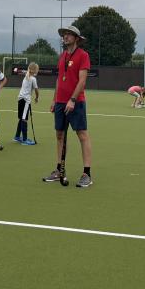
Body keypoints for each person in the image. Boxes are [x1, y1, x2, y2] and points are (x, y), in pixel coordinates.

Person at [43, 25, 93, 188]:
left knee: (82, 134)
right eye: (64, 34)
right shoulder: (63, 55)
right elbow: (59, 79)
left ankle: (87, 174)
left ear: (76, 38)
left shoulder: (83, 55)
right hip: (60, 102)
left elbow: (82, 81)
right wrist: (54, 99)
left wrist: (72, 99)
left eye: (69, 34)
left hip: (76, 102)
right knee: (59, 135)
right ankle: (59, 170)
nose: (65, 36)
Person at [14, 62, 40, 144]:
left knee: (21, 118)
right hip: (26, 100)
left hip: (20, 99)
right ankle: (25, 140)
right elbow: (36, 90)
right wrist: (37, 97)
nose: (38, 71)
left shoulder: (26, 76)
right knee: (24, 119)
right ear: (34, 70)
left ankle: (17, 136)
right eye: (37, 69)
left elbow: (25, 72)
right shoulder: (33, 79)